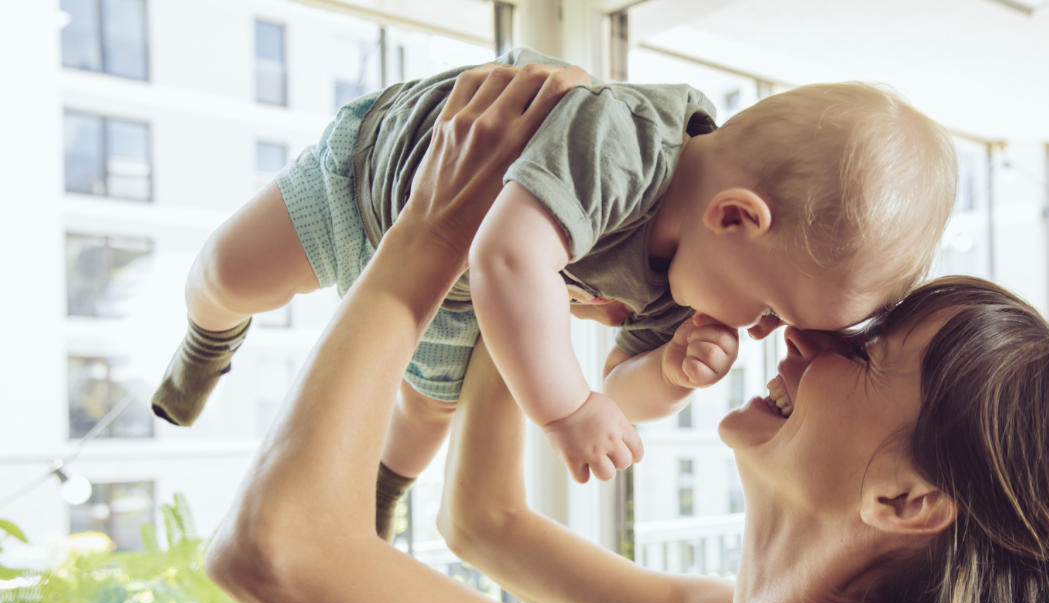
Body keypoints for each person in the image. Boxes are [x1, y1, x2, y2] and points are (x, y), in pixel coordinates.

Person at [206, 65, 1049, 603]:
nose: (796, 341)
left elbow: (278, 553)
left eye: (865, 350)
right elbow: (484, 523)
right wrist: (538, 230)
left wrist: (429, 230)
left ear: (903, 498)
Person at [152, 46, 958, 540]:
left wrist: (668, 376)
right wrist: (565, 412)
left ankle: (381, 491)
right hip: (376, 186)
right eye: (772, 310)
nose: (755, 334)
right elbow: (510, 256)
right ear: (737, 217)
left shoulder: (692, 285)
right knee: (230, 272)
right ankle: (207, 339)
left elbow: (616, 389)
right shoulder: (626, 142)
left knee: (430, 410)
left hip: (457, 289)